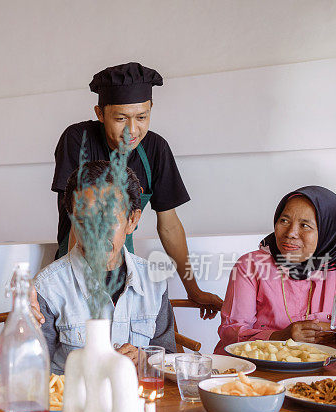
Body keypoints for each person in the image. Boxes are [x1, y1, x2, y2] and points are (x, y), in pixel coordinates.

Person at [52, 61, 222, 319]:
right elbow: (80, 221)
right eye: (121, 118)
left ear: (151, 109)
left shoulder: (156, 149)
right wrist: (76, 292)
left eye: (141, 117)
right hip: (74, 270)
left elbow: (170, 225)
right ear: (100, 113)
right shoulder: (77, 140)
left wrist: (193, 288)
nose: (132, 130)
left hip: (124, 268)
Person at [35, 160, 176, 375]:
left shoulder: (153, 281)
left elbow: (168, 357)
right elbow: (32, 373)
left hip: (138, 404)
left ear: (132, 220)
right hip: (73, 406)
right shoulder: (48, 288)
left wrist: (145, 359)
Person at [215, 186, 336, 353]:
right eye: (284, 221)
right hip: (260, 373)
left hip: (330, 374)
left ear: (328, 232)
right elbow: (231, 333)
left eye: (305, 225)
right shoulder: (251, 266)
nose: (291, 233)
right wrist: (280, 336)